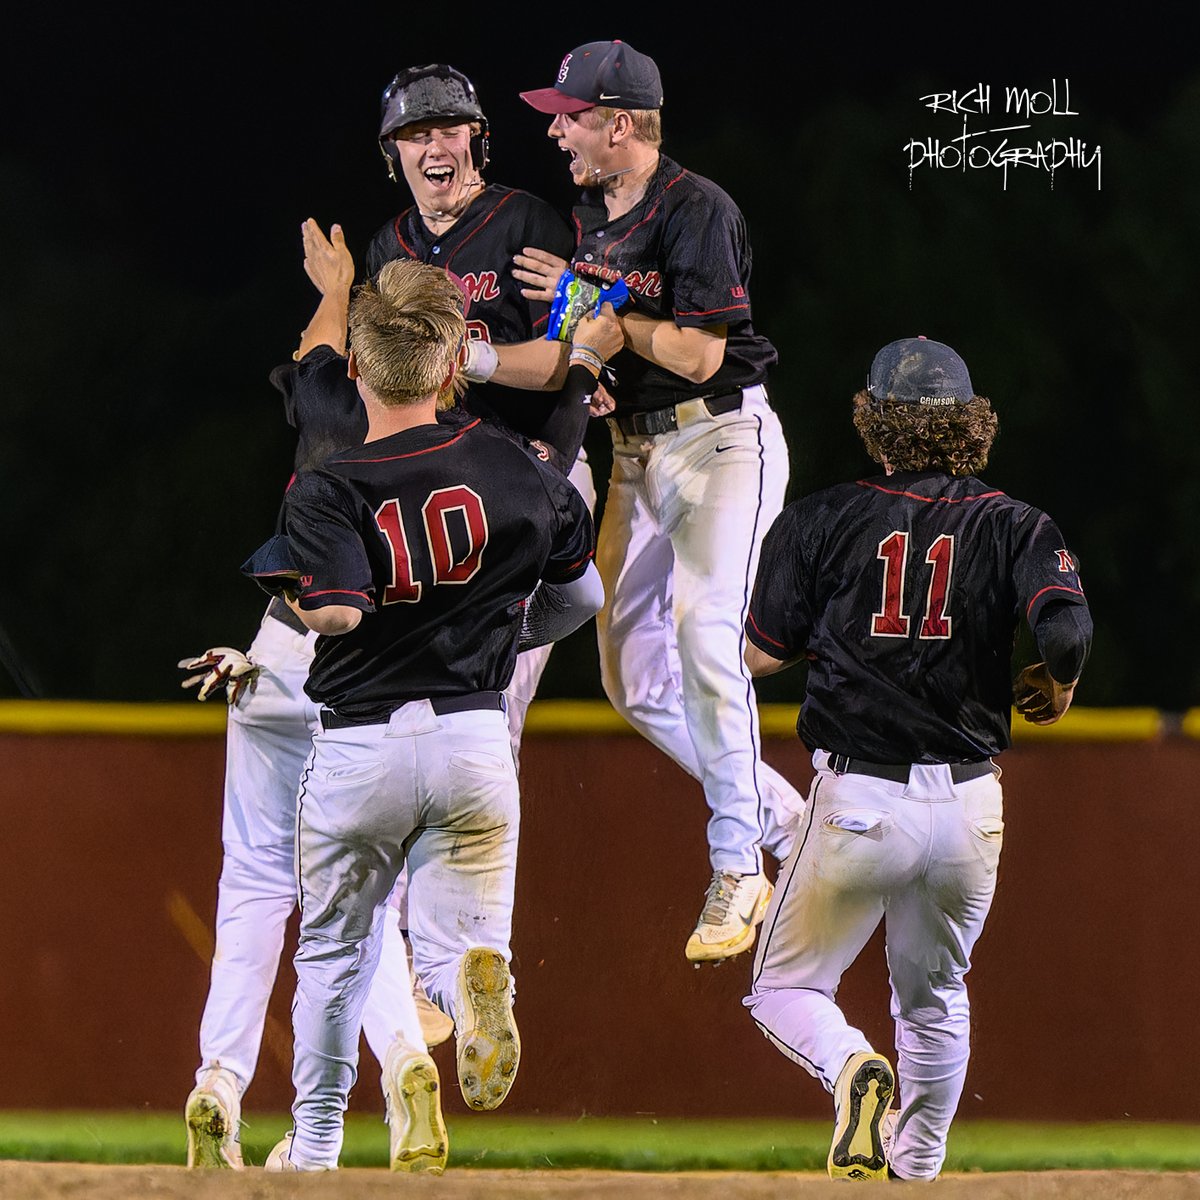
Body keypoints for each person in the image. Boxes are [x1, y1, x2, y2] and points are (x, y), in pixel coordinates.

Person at [181, 216, 620, 1170]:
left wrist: (294, 604)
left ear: (363, 364)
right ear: (455, 363)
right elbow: (581, 597)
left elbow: (333, 616)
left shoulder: (332, 467)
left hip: (353, 733)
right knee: (445, 945)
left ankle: (310, 1137)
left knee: (327, 951)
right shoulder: (519, 471)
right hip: (472, 735)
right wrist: (507, 636)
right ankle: (465, 998)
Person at [741, 337, 1092, 1181]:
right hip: (970, 807)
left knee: (785, 992)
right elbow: (1067, 629)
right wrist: (1059, 675)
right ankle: (918, 1166)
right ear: (972, 425)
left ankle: (853, 1068)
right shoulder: (1016, 523)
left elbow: (757, 655)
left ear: (875, 421)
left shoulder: (823, 518)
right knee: (934, 1003)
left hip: (861, 797)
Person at [517, 41, 805, 963]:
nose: (558, 128)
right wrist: (596, 369)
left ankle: (738, 865)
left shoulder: (698, 208)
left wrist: (614, 322)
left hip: (720, 438)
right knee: (632, 677)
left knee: (703, 628)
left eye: (572, 114)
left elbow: (700, 356)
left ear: (624, 122)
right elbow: (619, 347)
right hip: (638, 453)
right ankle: (793, 823)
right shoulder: (592, 215)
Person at [367, 63, 589, 750]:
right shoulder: (390, 246)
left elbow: (569, 359)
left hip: (532, 467)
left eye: (448, 129)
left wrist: (462, 356)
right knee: (411, 696)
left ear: (477, 140)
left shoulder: (526, 221)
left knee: (491, 704)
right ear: (393, 152)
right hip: (433, 491)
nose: (434, 147)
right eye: (415, 133)